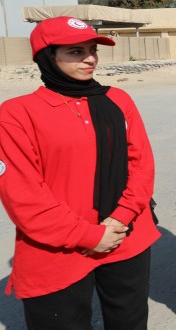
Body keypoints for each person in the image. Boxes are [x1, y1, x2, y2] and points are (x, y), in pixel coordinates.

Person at [0, 16, 160, 330]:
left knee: (130, 321)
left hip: (125, 233)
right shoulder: (16, 115)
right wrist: (89, 235)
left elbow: (141, 166)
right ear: (47, 57)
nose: (90, 59)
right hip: (58, 248)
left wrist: (120, 218)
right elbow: (23, 196)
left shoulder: (117, 100)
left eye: (92, 49)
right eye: (75, 51)